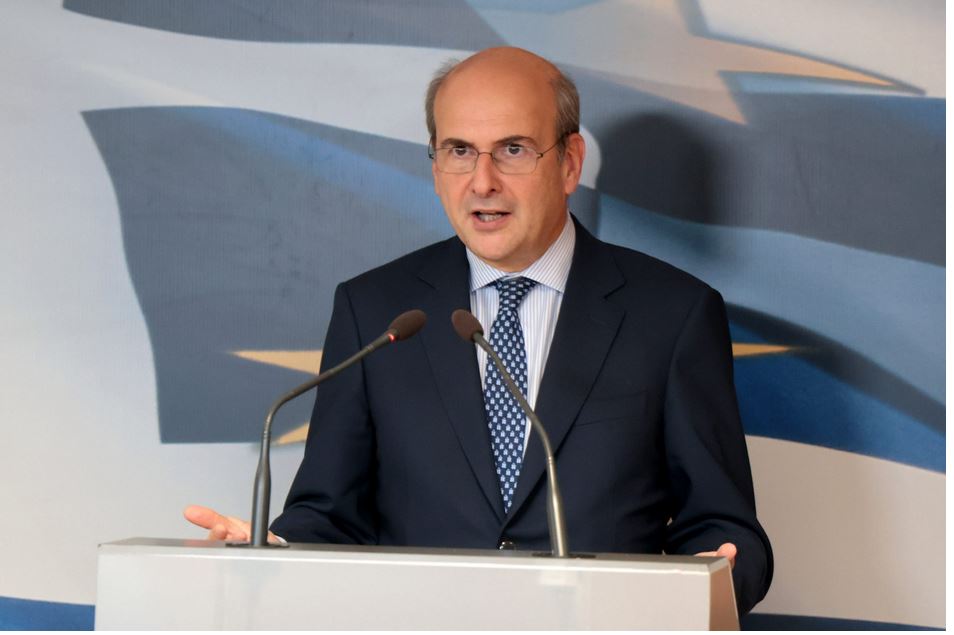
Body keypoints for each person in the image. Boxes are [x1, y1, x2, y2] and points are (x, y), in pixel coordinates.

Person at [185, 47, 772, 614]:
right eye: (460, 151)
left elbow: (723, 526)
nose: (482, 181)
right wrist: (271, 554)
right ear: (435, 164)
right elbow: (328, 514)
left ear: (570, 162)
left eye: (512, 150)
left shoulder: (672, 313)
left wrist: (716, 576)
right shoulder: (375, 310)